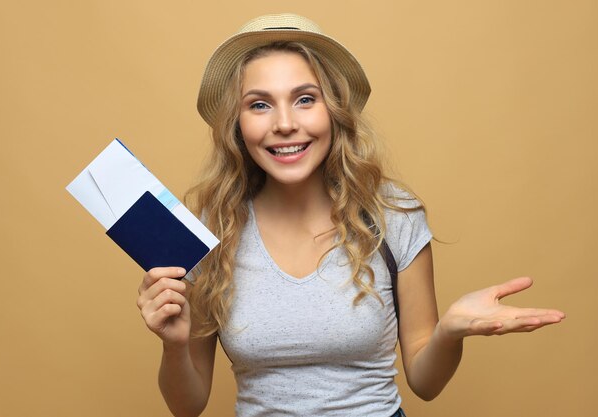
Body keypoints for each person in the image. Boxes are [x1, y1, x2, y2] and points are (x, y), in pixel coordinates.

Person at [136, 13, 565, 417]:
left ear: (334, 112)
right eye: (260, 105)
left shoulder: (393, 214)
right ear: (237, 124)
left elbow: (426, 382)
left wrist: (449, 331)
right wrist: (173, 346)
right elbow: (187, 406)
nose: (284, 124)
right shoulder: (211, 227)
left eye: (305, 99)